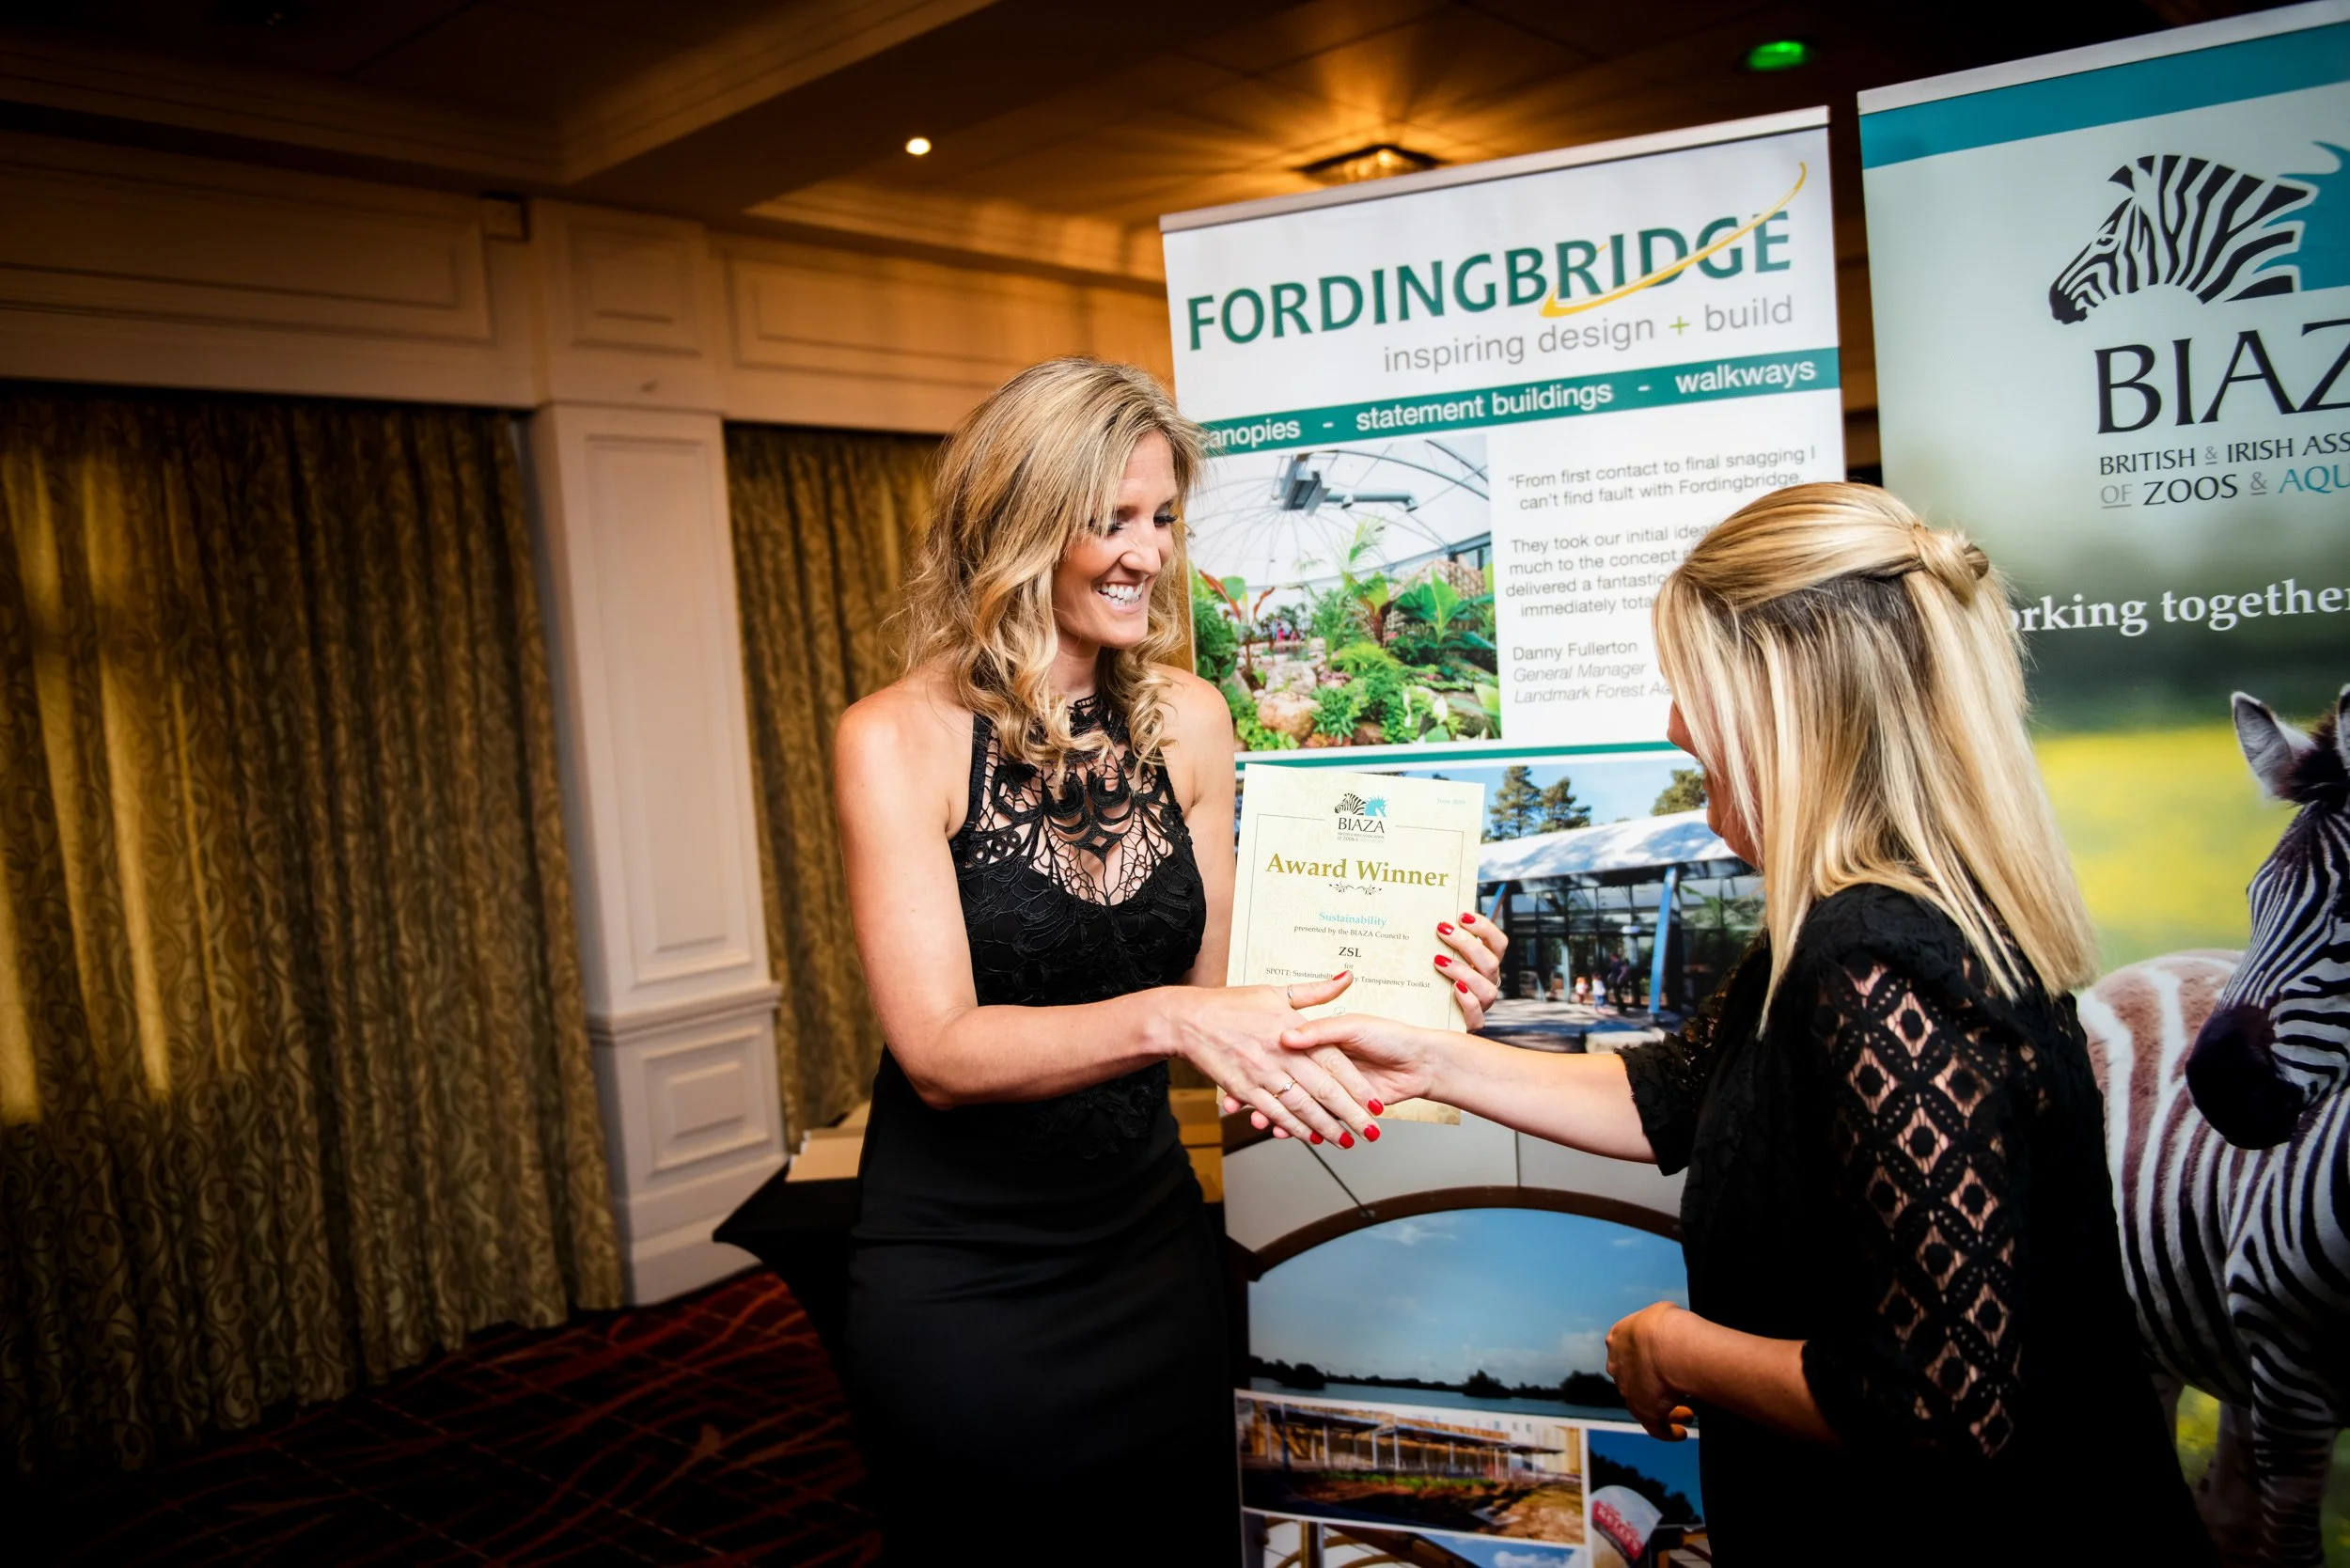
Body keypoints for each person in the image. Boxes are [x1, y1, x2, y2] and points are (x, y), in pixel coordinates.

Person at [1275, 484, 2213, 1564]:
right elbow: (1673, 1093)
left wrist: (1679, 1347)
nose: (1675, 728)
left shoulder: (1874, 951)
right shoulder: (1843, 918)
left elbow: (1945, 1407)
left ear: (1781, 701)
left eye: (1690, 690)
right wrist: (1430, 1058)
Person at [833, 358, 1420, 1560]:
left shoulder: (1192, 719)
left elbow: (1220, 1012)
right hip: (964, 1280)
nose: (1149, 554)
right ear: (1018, 525)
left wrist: (1408, 985)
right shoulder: (896, 739)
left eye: (1162, 519)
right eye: (1111, 520)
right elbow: (940, 1053)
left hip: (1149, 1255)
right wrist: (1165, 1022)